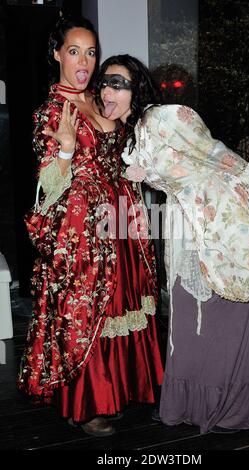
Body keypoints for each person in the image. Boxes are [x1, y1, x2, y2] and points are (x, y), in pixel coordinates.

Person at [95, 54, 249, 434]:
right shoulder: (133, 135)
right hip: (188, 223)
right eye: (104, 83)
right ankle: (193, 403)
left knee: (223, 312)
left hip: (226, 220)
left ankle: (233, 406)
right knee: (189, 313)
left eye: (118, 83)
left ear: (138, 88)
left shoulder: (166, 116)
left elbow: (216, 152)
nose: (107, 90)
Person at [17, 21, 163, 437]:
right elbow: (48, 185)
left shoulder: (101, 99)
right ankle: (86, 404)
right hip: (81, 226)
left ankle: (114, 391)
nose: (84, 61)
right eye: (75, 51)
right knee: (86, 309)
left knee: (119, 304)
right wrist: (65, 146)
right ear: (58, 54)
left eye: (91, 53)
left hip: (121, 218)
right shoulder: (50, 110)